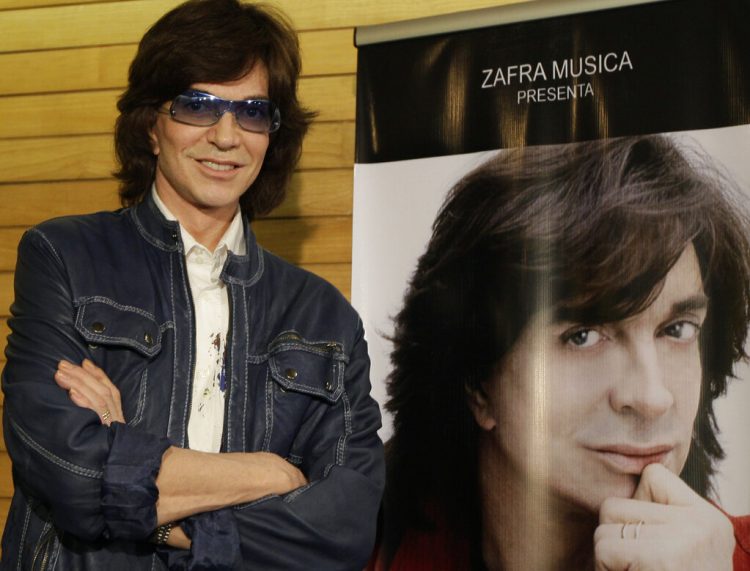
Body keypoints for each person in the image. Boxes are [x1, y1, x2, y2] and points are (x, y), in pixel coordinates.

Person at [1, 0, 383, 569]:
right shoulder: (66, 257)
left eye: (253, 111)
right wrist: (270, 473)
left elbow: (345, 529)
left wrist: (145, 490)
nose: (227, 136)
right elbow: (73, 472)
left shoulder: (324, 317)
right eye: (199, 106)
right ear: (152, 126)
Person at [369, 136, 750, 570]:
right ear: (477, 380)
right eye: (584, 335)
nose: (652, 397)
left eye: (677, 330)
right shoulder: (344, 551)